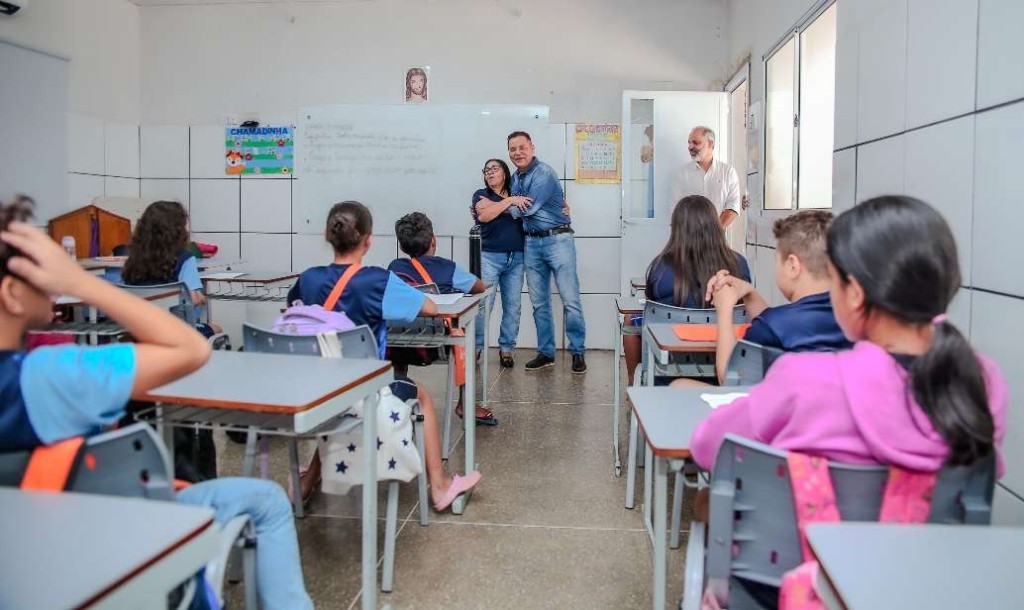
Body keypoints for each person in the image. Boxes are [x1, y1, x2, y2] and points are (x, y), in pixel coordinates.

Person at [0, 195, 314, 609]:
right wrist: (79, 282)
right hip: (108, 534)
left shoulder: (125, 266)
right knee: (269, 501)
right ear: (12, 292)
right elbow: (189, 348)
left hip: (29, 559)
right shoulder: (46, 376)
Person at [690, 194, 1007, 476]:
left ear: (854, 293)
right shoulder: (982, 381)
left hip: (811, 541)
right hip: (933, 541)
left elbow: (708, 446)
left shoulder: (803, 379)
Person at [287, 201, 481, 510]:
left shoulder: (308, 278)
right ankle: (440, 487)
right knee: (423, 398)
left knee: (340, 407)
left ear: (327, 235)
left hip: (318, 388)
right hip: (363, 393)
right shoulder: (378, 281)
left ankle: (308, 480)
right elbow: (430, 307)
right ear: (368, 240)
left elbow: (293, 308)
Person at [673, 210, 851, 387]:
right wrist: (749, 291)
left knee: (679, 385)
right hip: (830, 408)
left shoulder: (773, 324)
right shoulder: (855, 318)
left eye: (777, 260)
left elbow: (729, 379)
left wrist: (724, 310)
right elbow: (775, 326)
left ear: (792, 266)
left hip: (779, 411)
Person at [622, 195, 751, 386]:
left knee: (630, 320)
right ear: (715, 226)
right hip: (725, 356)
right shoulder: (738, 263)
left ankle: (634, 382)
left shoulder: (660, 266)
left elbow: (652, 302)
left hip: (669, 361)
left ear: (677, 229)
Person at [387, 212, 495, 426]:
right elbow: (479, 287)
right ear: (433, 240)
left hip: (399, 345)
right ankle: (465, 403)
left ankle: (398, 396)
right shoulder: (447, 267)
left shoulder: (395, 268)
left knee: (398, 335)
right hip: (438, 347)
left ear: (402, 246)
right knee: (467, 344)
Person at [505, 131, 587, 374]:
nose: (517, 153)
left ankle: (578, 352)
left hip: (557, 240)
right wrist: (513, 202)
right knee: (539, 303)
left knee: (570, 300)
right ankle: (546, 352)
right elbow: (518, 206)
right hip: (531, 243)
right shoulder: (515, 178)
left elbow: (528, 209)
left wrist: (511, 204)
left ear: (532, 148)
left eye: (522, 147)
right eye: (512, 149)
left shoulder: (544, 173)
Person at [121, 200, 222, 338]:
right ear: (178, 230)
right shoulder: (185, 258)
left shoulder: (133, 259)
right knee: (217, 328)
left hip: (139, 331)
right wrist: (201, 297)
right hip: (177, 332)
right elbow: (193, 299)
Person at [470, 158, 525, 369]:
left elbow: (527, 211)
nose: (490, 173)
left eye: (495, 169)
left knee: (513, 306)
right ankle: (475, 347)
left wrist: (501, 205)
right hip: (490, 257)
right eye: (486, 170)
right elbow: (484, 215)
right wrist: (510, 202)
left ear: (505, 173)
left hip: (517, 257)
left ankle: (507, 349)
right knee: (484, 306)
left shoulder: (518, 192)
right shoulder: (480, 195)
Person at [672, 127, 744, 229]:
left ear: (710, 144)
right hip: (689, 240)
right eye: (689, 143)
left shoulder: (728, 172)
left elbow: (733, 206)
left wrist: (714, 233)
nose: (690, 147)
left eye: (696, 143)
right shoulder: (682, 173)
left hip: (718, 240)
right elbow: (676, 209)